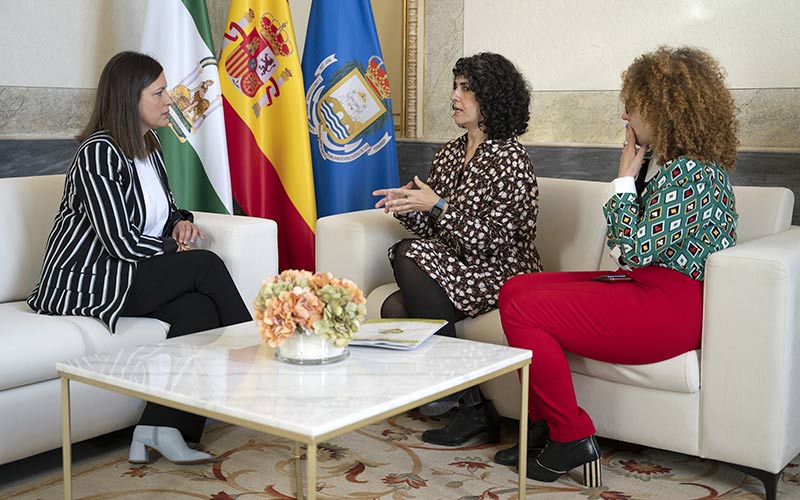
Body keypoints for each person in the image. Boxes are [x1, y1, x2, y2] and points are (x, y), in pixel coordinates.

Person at [495, 46, 739, 486]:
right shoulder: (677, 169)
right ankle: (548, 427)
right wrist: (635, 177)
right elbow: (630, 254)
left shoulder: (691, 173)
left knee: (520, 307)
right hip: (648, 290)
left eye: (632, 108)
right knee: (517, 288)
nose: (626, 118)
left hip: (666, 310)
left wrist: (624, 179)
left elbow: (630, 250)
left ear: (662, 110)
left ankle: (568, 435)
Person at [27, 51, 252, 465]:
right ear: (130, 97)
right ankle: (260, 372)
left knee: (198, 309)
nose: (170, 100)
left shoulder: (149, 146)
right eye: (160, 92)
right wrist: (176, 250)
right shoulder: (99, 154)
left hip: (130, 271)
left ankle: (159, 427)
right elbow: (119, 241)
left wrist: (179, 223)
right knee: (206, 265)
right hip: (89, 278)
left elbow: (159, 213)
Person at [372, 52, 542, 447]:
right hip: (459, 267)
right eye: (455, 86)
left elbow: (493, 241)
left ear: (491, 98)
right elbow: (435, 225)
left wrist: (437, 206)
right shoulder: (449, 153)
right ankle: (474, 407)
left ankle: (471, 410)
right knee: (393, 306)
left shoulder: (512, 159)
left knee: (408, 255)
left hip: (503, 270)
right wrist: (407, 207)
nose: (454, 96)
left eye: (466, 89)